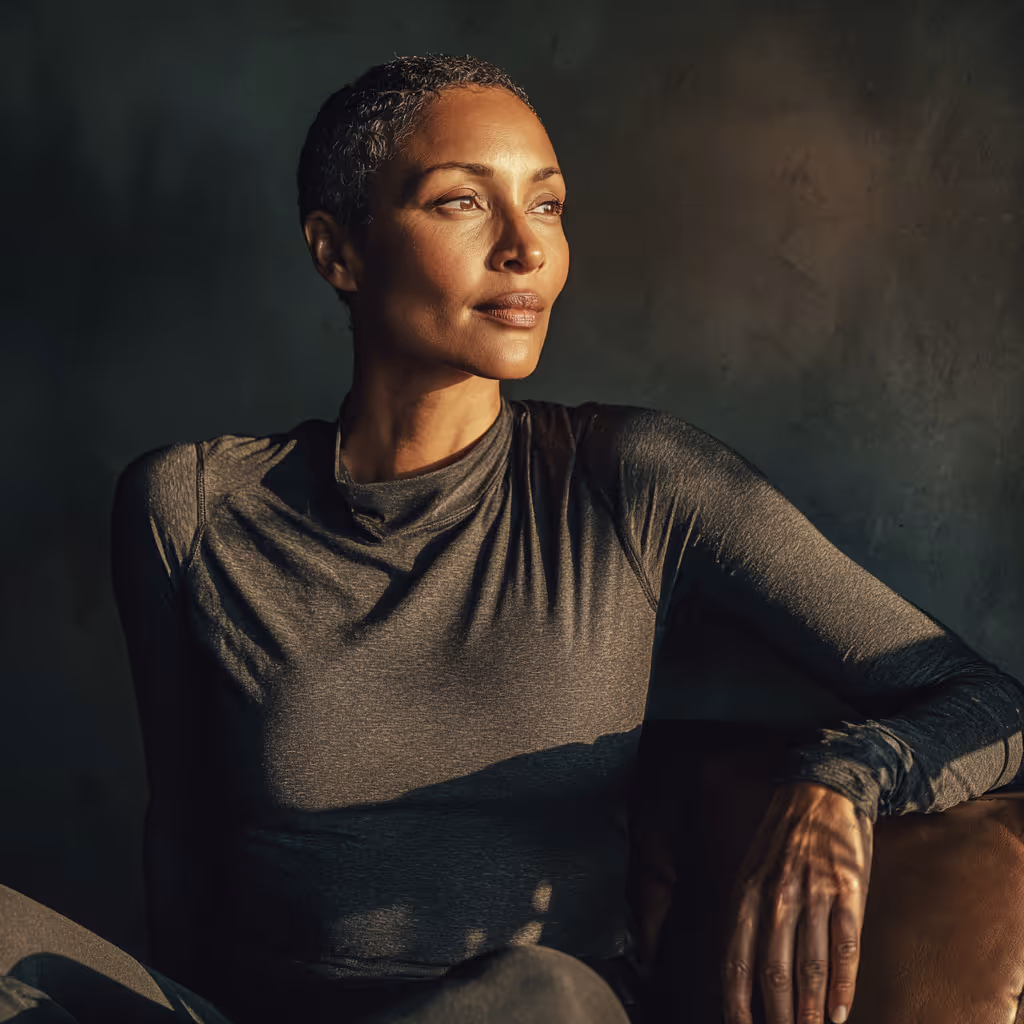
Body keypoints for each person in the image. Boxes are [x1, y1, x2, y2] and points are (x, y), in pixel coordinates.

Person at [2, 52, 1023, 1024]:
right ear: (338, 250)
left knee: (537, 992)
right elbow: (180, 840)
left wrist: (841, 776)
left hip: (526, 1012)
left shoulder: (633, 481)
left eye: (545, 203)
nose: (525, 246)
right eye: (461, 200)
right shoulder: (187, 507)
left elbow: (986, 699)